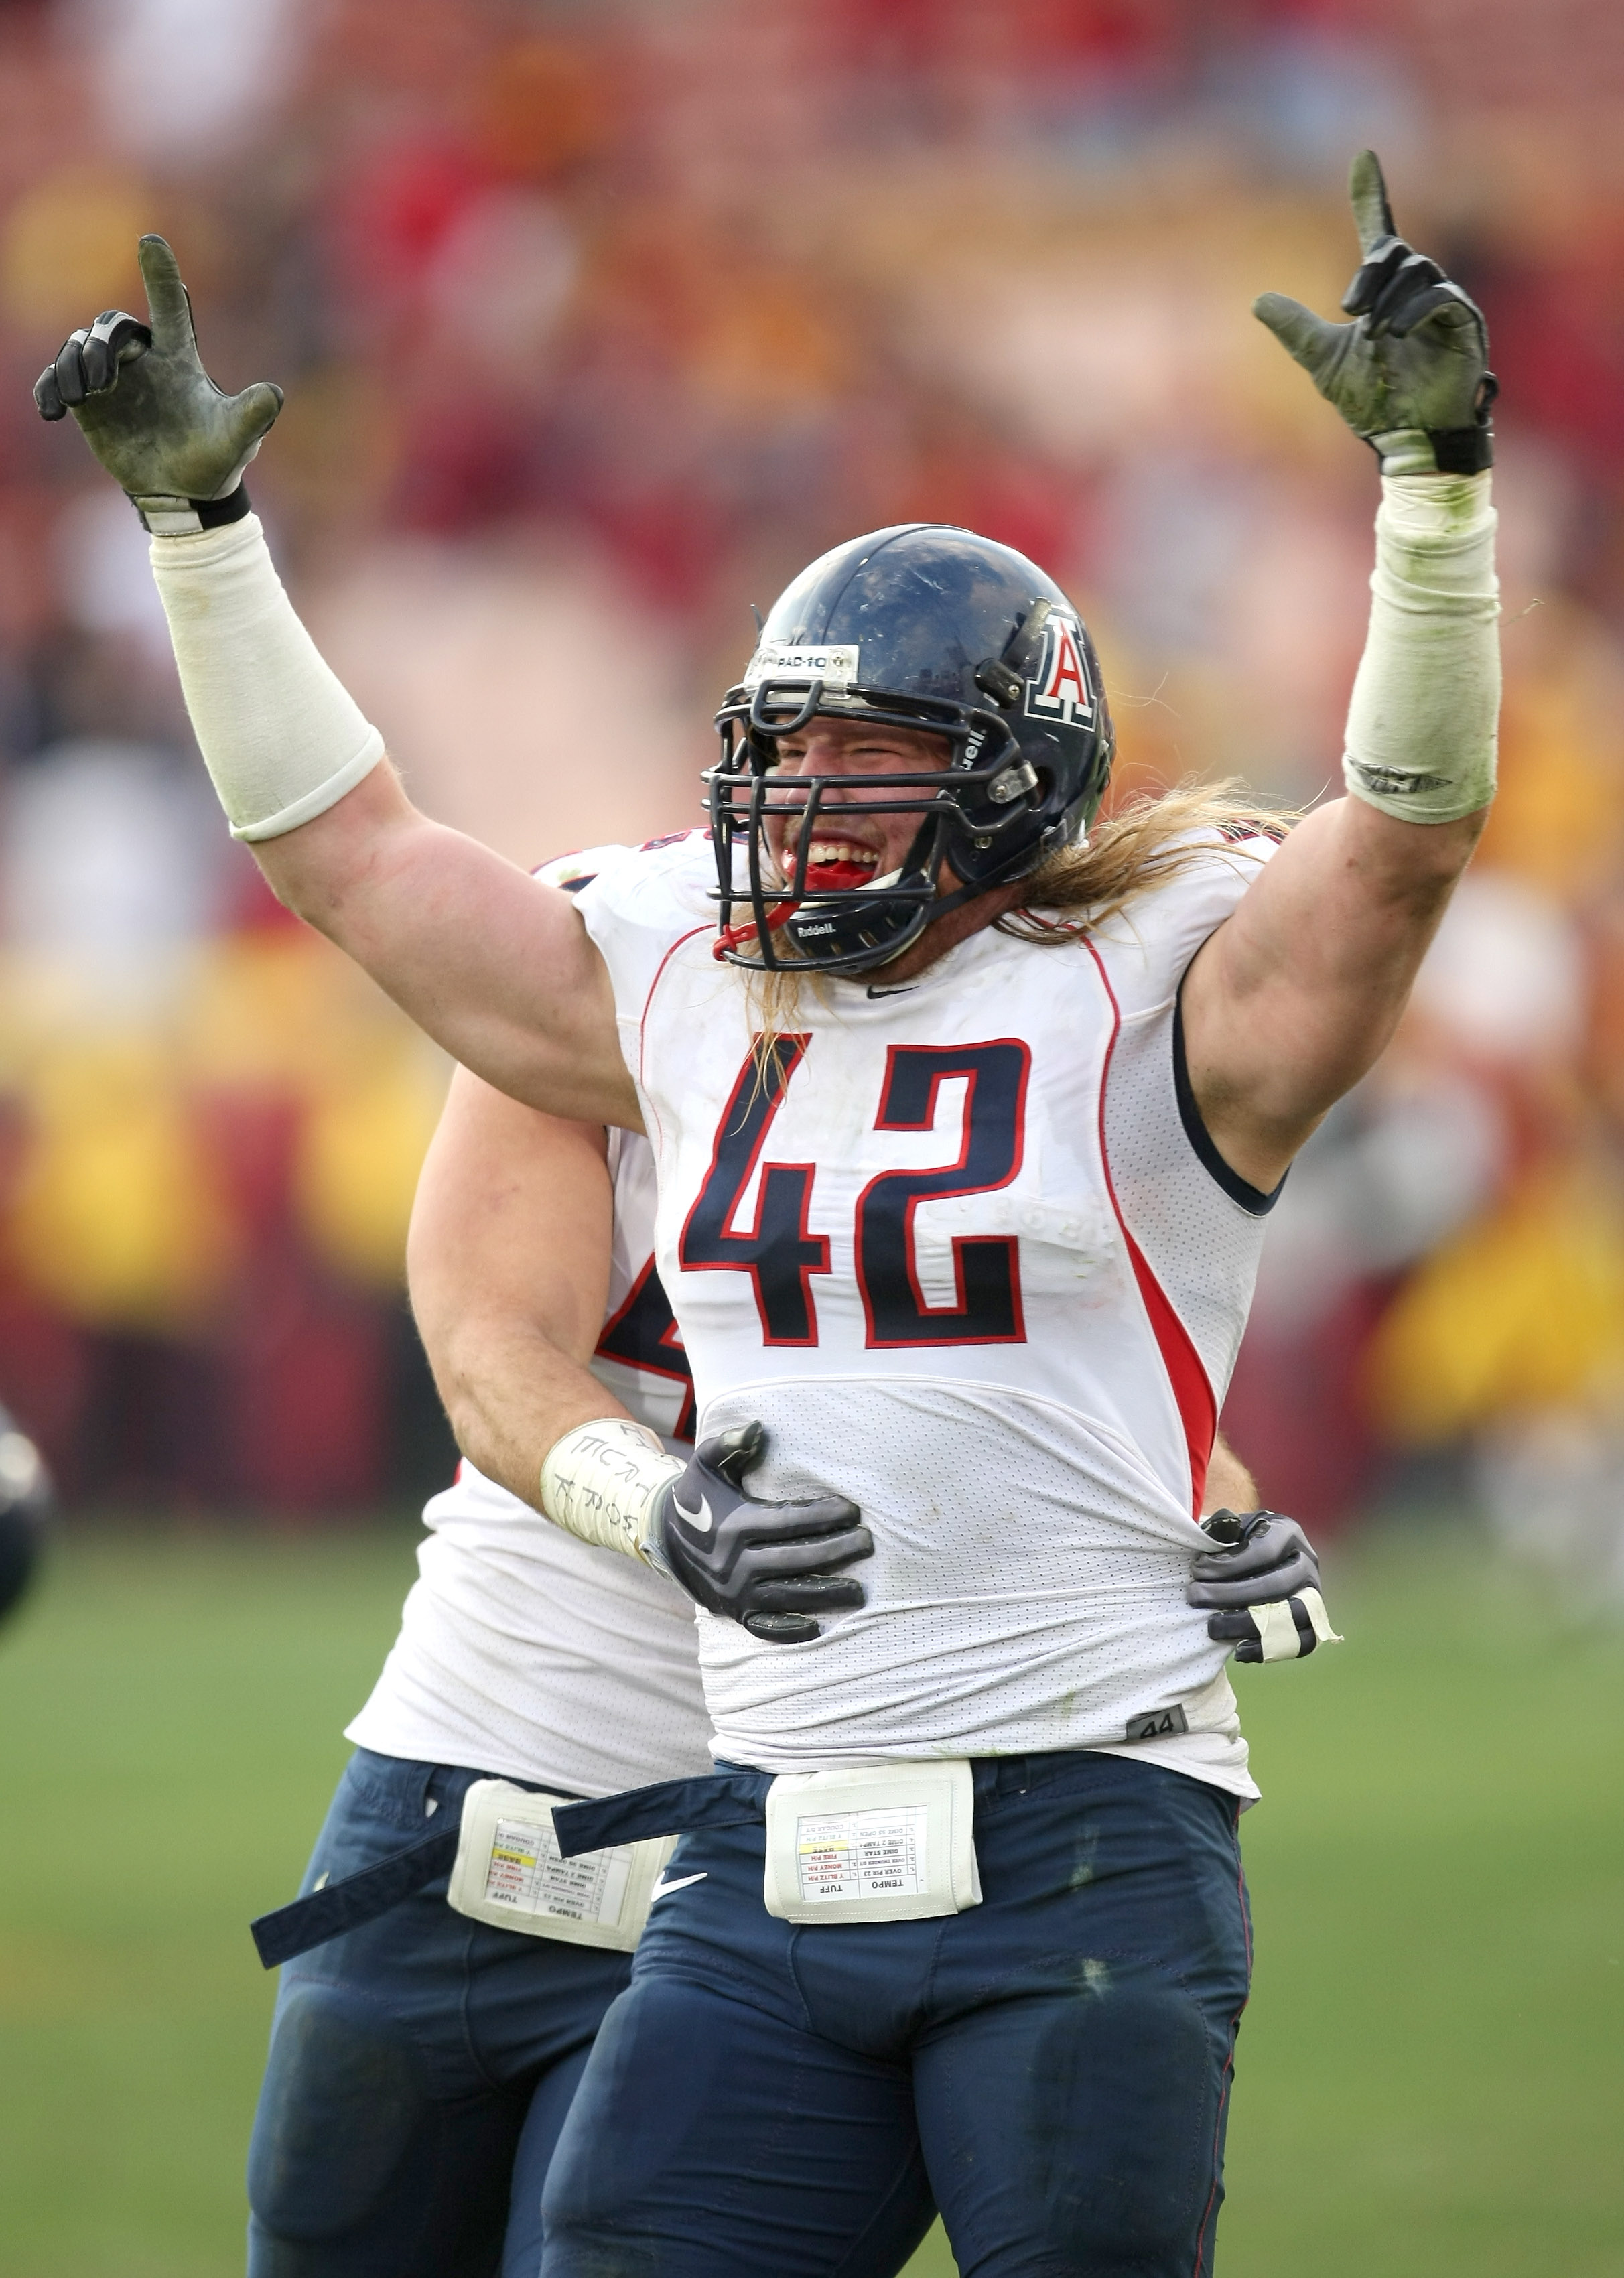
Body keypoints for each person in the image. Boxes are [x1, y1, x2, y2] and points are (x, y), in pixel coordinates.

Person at [36, 147, 1482, 2274]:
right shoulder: (676, 971)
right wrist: (201, 535)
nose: (795, 809)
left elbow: (1409, 837)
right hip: (757, 1835)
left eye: (867, 762)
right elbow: (350, 853)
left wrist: (1437, 501)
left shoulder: (1159, 973)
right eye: (779, 758)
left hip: (1083, 1798)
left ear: (1012, 773)